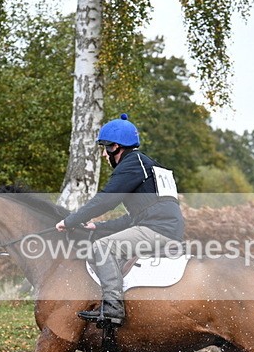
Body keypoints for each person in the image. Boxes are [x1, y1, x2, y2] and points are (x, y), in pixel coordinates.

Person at [56, 114, 184, 327]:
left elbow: (105, 200)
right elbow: (136, 217)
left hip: (159, 229)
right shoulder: (146, 165)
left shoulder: (132, 163)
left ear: (115, 147)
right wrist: (98, 225)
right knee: (104, 238)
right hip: (164, 226)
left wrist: (69, 221)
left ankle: (113, 308)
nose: (105, 156)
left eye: (105, 149)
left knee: (104, 247)